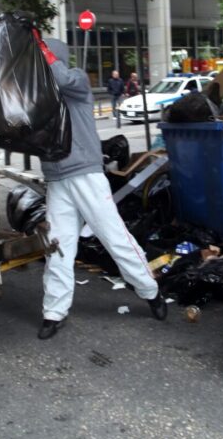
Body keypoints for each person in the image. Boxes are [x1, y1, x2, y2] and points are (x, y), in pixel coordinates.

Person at [36, 38, 166, 340]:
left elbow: (60, 76)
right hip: (57, 179)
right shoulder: (41, 97)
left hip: (85, 175)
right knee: (57, 247)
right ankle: (53, 312)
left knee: (115, 238)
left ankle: (151, 291)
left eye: (43, 60)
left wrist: (40, 52)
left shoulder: (76, 80)